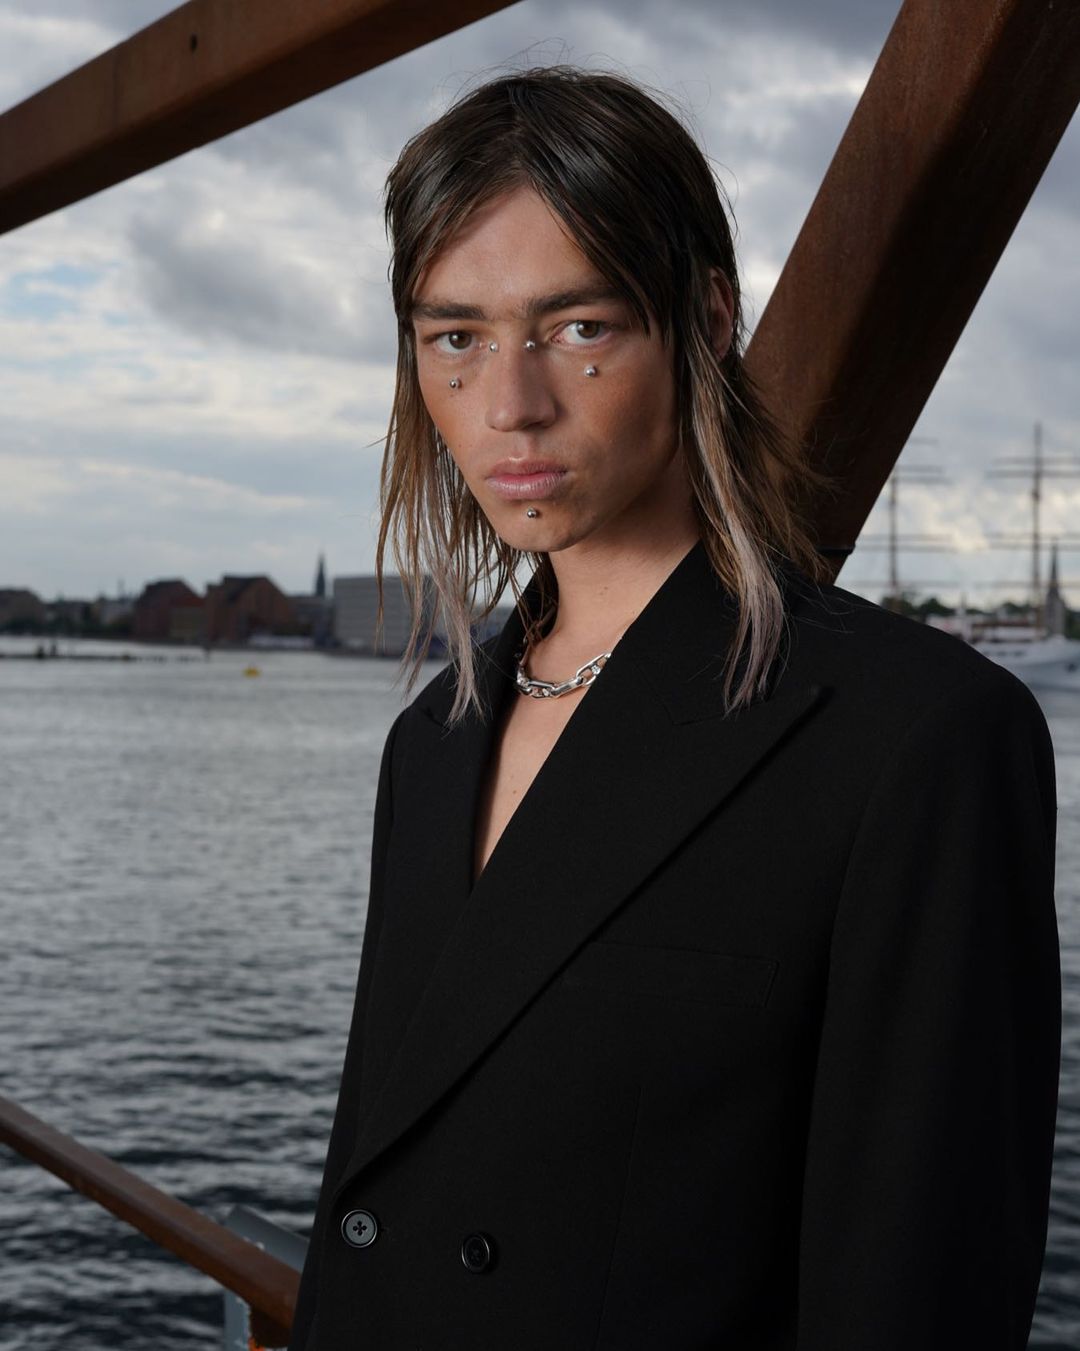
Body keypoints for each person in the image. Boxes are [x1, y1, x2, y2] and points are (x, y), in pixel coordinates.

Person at [288, 67, 1060, 1351]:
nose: (511, 404)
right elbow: (369, 1192)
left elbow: (918, 1285)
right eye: (456, 337)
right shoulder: (432, 738)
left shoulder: (916, 738)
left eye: (579, 325)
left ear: (706, 319)